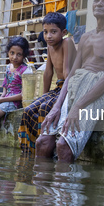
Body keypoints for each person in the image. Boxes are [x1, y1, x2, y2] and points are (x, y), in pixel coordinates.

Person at [36, 0, 104, 162]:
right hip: (75, 87)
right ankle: (40, 188)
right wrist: (57, 106)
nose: (99, 4)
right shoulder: (86, 37)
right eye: (97, 0)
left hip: (98, 92)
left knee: (63, 144)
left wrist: (78, 106)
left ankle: (63, 188)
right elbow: (72, 73)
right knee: (43, 141)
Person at [18, 12, 76, 153]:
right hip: (58, 87)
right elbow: (48, 72)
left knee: (45, 108)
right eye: (45, 32)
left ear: (64, 32)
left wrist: (59, 101)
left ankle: (45, 146)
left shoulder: (67, 43)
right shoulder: (50, 47)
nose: (48, 36)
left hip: (71, 87)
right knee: (29, 109)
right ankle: (29, 150)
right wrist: (44, 95)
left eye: (53, 32)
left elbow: (69, 73)